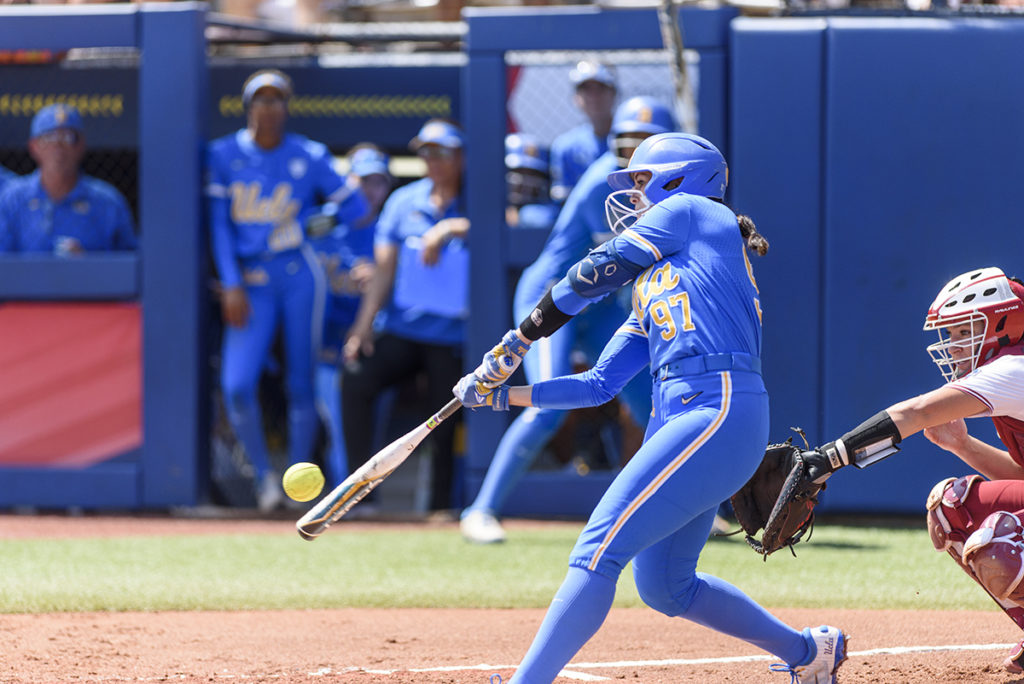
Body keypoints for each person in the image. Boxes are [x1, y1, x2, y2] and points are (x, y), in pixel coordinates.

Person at [454, 132, 847, 684]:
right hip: (685, 414)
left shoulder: (695, 211)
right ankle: (810, 652)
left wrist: (521, 339)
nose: (634, 195)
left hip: (717, 407)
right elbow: (597, 385)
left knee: (596, 552)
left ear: (682, 177)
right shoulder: (656, 283)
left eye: (643, 181)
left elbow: (600, 265)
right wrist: (501, 394)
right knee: (665, 586)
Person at [784, 265, 1024, 674]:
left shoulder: (1012, 370)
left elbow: (915, 412)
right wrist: (963, 445)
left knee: (997, 539)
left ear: (1004, 324)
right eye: (950, 336)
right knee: (951, 506)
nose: (952, 347)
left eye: (964, 333)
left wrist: (830, 458)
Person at [459, 97, 673, 545]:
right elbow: (622, 261)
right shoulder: (606, 183)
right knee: (547, 410)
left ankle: (680, 509)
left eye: (642, 143)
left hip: (598, 307)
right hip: (553, 298)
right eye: (624, 142)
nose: (631, 154)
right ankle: (481, 510)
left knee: (652, 405)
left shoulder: (671, 192)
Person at [205, 69, 369, 512]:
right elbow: (219, 225)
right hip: (250, 281)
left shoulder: (308, 154)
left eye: (278, 100)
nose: (269, 108)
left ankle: (297, 484)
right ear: (248, 106)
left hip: (300, 275)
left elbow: (355, 207)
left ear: (288, 107)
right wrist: (232, 282)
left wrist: (306, 227)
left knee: (302, 382)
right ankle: (264, 480)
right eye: (261, 99)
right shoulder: (222, 154)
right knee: (237, 383)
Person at [342, 118, 470, 514]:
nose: (433, 160)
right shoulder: (402, 202)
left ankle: (440, 508)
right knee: (356, 379)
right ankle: (362, 495)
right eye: (426, 153)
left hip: (453, 337)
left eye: (441, 152)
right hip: (404, 329)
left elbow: (505, 224)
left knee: (446, 414)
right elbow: (383, 271)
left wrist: (450, 227)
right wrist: (362, 329)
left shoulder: (477, 200)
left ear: (461, 157)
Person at [308, 143, 394, 488]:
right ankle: (347, 497)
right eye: (363, 181)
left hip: (373, 343)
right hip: (325, 343)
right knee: (337, 427)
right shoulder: (321, 221)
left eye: (379, 182)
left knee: (372, 434)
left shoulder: (390, 227)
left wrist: (381, 281)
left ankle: (362, 501)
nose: (370, 191)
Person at [0, 104, 136, 254]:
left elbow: (130, 265)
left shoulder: (108, 203)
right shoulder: (12, 200)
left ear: (81, 145)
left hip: (89, 278)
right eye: (49, 137)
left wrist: (87, 261)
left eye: (68, 137)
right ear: (33, 147)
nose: (58, 146)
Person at [548, 60, 617, 204]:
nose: (594, 97)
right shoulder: (565, 146)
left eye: (601, 89)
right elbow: (564, 203)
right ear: (576, 98)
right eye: (586, 90)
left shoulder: (631, 139)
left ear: (613, 93)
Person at [504, 133, 557, 232]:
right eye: (517, 171)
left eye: (533, 174)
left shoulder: (544, 214)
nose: (523, 181)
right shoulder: (482, 206)